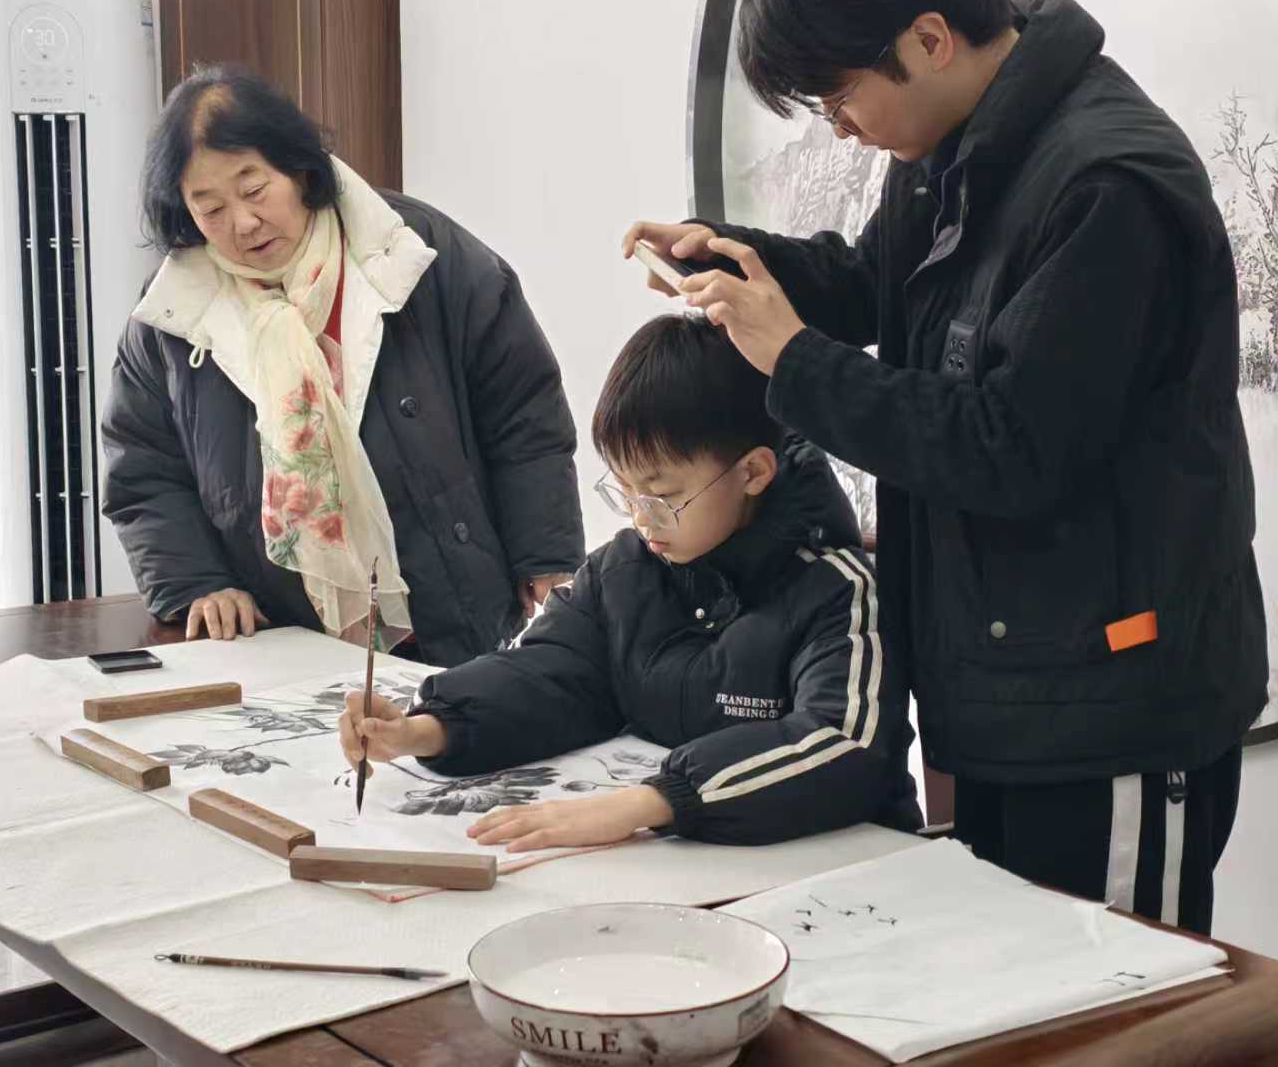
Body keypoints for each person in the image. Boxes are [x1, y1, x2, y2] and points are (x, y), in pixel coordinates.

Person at [625, 0, 1265, 933]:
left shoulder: (1108, 187)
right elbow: (875, 283)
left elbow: (1013, 449)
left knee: (1117, 1004)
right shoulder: (957, 141)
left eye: (839, 97)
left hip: (1111, 708)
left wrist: (793, 361)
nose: (839, 127)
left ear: (927, 38)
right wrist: (731, 258)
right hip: (1009, 689)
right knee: (1008, 990)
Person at [336, 313, 921, 852]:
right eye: (625, 491)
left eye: (662, 495)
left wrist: (656, 802)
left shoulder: (837, 590)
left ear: (753, 472)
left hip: (843, 871)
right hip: (693, 864)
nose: (642, 518)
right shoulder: (625, 569)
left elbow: (842, 745)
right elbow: (553, 672)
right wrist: (428, 729)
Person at [102, 65, 582, 665]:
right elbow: (142, 464)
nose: (243, 224)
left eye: (255, 190)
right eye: (211, 209)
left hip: (450, 613)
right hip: (276, 643)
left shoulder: (416, 251)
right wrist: (196, 581)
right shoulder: (174, 312)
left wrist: (544, 554)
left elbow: (522, 410)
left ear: (299, 168)